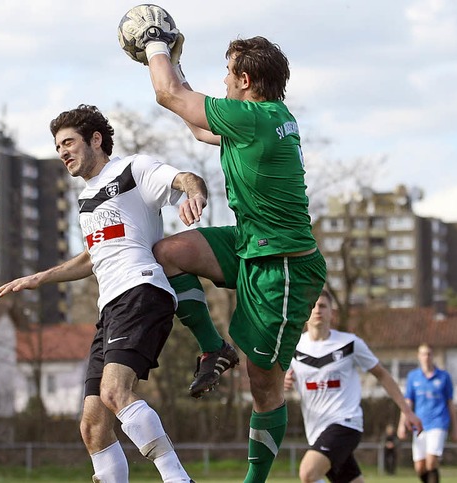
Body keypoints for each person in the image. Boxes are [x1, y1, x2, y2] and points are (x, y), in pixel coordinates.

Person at [135, 16, 327, 483]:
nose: (222, 81)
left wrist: (153, 42)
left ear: (245, 81)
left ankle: (253, 482)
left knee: (263, 384)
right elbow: (198, 127)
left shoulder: (255, 118)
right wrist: (173, 65)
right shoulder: (267, 118)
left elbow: (169, 96)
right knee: (170, 253)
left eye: (227, 72)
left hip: (282, 266)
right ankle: (212, 347)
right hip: (250, 243)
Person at [0, 105, 207, 482]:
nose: (62, 152)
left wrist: (194, 196)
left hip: (140, 291)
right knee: (92, 427)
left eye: (69, 142)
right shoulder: (85, 202)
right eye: (58, 146)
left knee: (114, 392)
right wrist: (39, 278)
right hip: (109, 308)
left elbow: (186, 178)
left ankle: (178, 479)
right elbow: (92, 258)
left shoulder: (132, 170)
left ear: (95, 140)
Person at [284, 290, 422, 483]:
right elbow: (278, 380)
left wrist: (407, 411)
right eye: (312, 306)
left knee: (308, 473)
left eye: (323, 306)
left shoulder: (349, 343)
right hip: (316, 431)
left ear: (332, 312)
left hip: (345, 422)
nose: (317, 310)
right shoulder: (293, 347)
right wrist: (284, 382)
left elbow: (382, 374)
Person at [398, 343, 457, 483]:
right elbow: (408, 403)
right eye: (423, 354)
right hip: (419, 425)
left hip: (438, 423)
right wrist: (401, 425)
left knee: (431, 462)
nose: (426, 357)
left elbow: (450, 403)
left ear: (433, 356)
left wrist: (456, 428)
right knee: (420, 467)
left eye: (429, 354)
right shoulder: (413, 377)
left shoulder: (444, 377)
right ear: (419, 356)